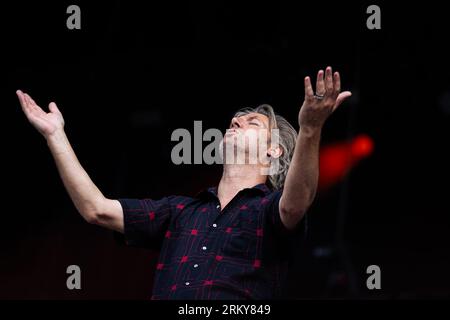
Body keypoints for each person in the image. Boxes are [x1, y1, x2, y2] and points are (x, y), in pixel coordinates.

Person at [16, 66, 351, 299]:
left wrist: (309, 129)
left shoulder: (268, 209)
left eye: (251, 123)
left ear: (273, 150)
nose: (235, 120)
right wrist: (55, 135)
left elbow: (297, 201)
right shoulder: (179, 211)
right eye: (236, 118)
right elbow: (96, 210)